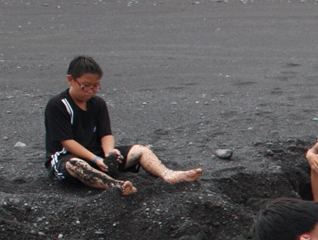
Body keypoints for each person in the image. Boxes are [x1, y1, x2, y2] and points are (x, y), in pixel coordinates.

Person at [43, 55, 202, 196]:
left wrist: (109, 153)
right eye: (86, 85)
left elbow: (106, 134)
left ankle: (168, 174)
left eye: (95, 86)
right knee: (75, 165)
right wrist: (96, 160)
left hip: (98, 155)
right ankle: (116, 185)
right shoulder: (58, 105)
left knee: (141, 150)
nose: (91, 91)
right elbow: (67, 142)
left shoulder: (98, 104)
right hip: (67, 158)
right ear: (71, 80)